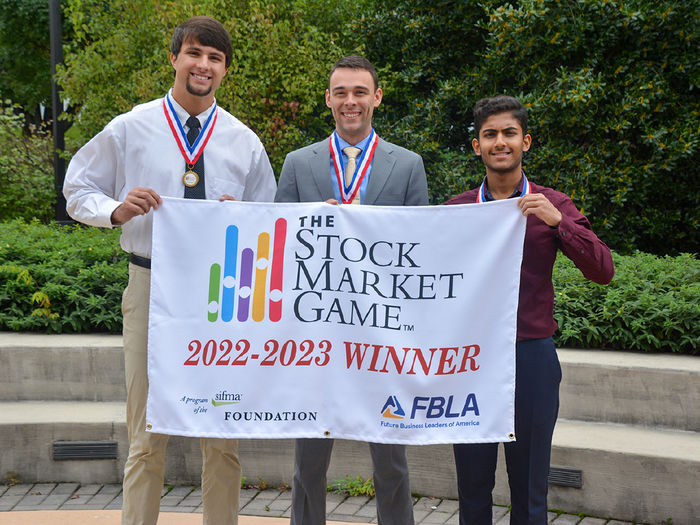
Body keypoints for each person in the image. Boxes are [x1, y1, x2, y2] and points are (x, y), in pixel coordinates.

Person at [63, 16, 277, 525]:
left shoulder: (242, 140)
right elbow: (76, 189)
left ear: (224, 70)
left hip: (220, 298)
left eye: (215, 58)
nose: (203, 65)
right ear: (175, 57)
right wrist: (115, 208)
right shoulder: (130, 127)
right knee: (146, 436)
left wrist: (240, 219)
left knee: (222, 437)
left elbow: (268, 219)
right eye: (195, 53)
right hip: (150, 285)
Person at [445, 96, 614, 524]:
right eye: (490, 135)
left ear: (526, 141)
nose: (500, 142)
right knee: (473, 490)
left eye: (509, 133)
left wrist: (561, 223)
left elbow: (603, 270)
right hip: (470, 361)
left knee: (531, 490)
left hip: (531, 356)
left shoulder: (553, 204)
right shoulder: (455, 210)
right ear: (476, 146)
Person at [275, 55, 428, 525]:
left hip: (380, 338)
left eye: (360, 92)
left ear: (377, 97)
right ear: (328, 99)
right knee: (308, 463)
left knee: (391, 464)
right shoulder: (299, 164)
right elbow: (279, 240)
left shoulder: (407, 165)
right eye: (340, 92)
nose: (350, 101)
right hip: (316, 336)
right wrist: (308, 223)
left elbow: (420, 247)